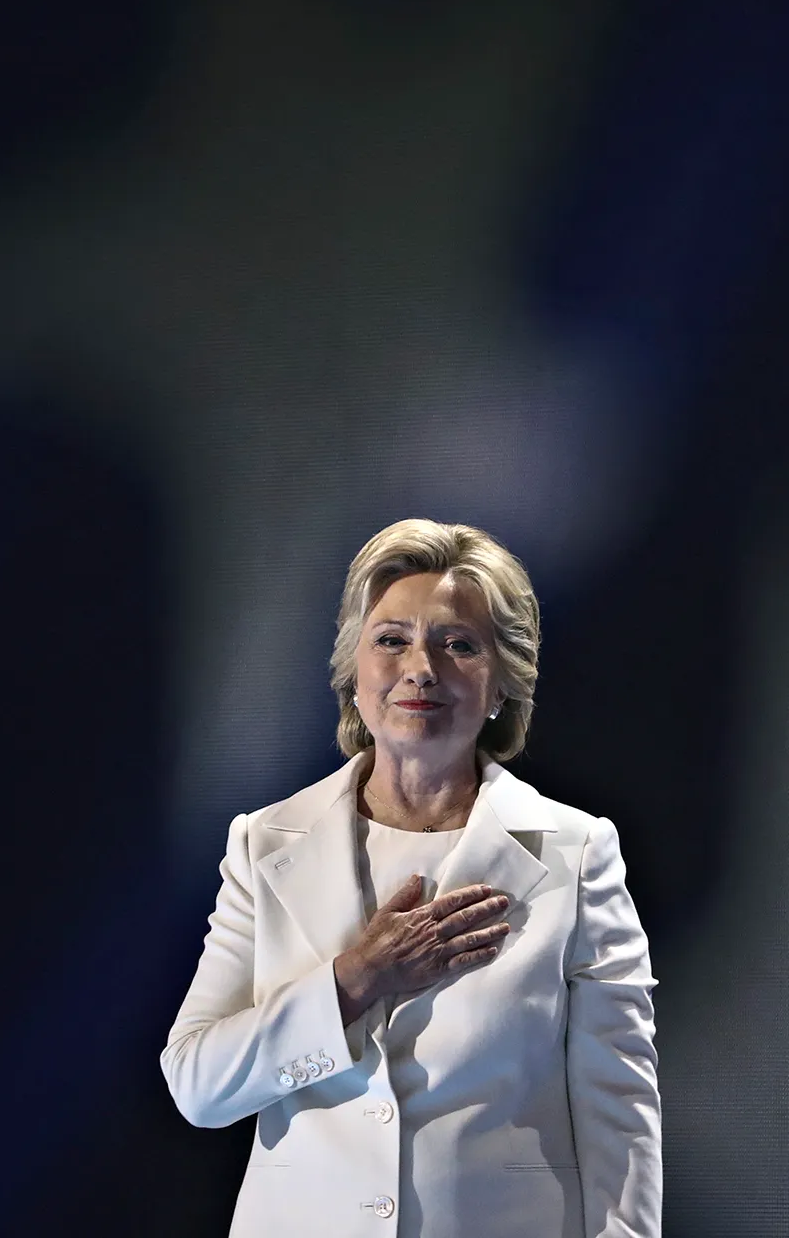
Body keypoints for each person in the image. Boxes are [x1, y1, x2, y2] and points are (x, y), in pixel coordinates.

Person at [161, 519, 662, 1236]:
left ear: (501, 686)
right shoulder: (264, 841)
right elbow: (198, 1085)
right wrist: (355, 979)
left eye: (459, 645)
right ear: (353, 674)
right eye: (391, 640)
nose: (421, 667)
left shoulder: (577, 852)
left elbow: (620, 1113)